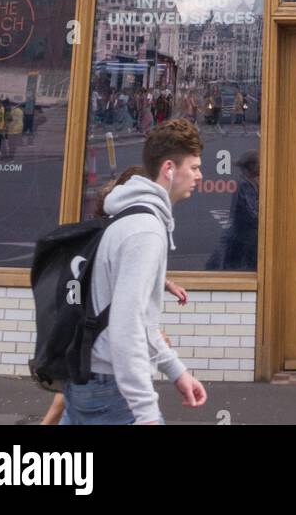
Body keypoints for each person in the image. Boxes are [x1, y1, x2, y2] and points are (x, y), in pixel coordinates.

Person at [60, 118, 207, 426]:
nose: (199, 175)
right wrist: (146, 414)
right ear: (169, 168)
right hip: (109, 390)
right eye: (193, 167)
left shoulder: (129, 215)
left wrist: (176, 372)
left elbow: (139, 320)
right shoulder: (146, 231)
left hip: (88, 378)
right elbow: (126, 327)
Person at [206, 151, 259, 270]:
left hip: (240, 235)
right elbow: (253, 213)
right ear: (251, 167)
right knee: (231, 265)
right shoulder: (245, 185)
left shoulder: (250, 183)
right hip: (241, 235)